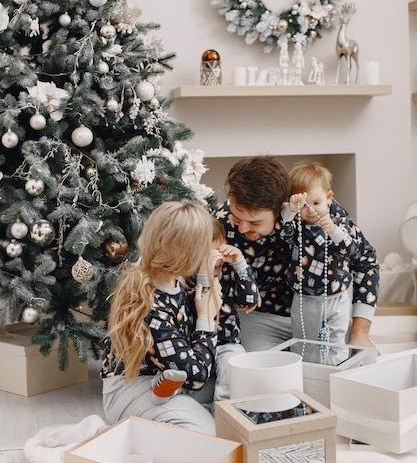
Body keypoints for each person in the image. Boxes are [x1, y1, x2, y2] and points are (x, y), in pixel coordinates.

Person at [212, 155, 379, 353]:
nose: (242, 229)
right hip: (262, 319)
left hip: (319, 312)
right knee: (268, 373)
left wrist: (360, 333)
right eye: (238, 218)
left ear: (281, 208)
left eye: (255, 222)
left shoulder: (317, 211)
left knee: (349, 366)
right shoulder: (221, 221)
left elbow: (365, 261)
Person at [100, 200, 222, 436]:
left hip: (169, 378)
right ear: (187, 256)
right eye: (204, 248)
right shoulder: (152, 308)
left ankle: (173, 404)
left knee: (229, 386)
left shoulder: (175, 279)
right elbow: (196, 377)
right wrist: (206, 316)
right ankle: (98, 432)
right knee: (206, 433)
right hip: (132, 389)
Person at [279, 162, 379, 363]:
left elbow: (352, 251)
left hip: (336, 296)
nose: (309, 211)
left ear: (329, 198)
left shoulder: (339, 222)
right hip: (304, 298)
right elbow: (283, 233)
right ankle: (307, 374)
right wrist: (291, 209)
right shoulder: (298, 225)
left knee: (336, 341)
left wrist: (334, 232)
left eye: (316, 203)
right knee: (303, 342)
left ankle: (336, 371)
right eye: (303, 206)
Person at [209, 218, 260, 402]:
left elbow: (250, 300)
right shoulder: (189, 278)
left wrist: (239, 263)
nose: (218, 257)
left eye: (221, 248)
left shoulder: (228, 272)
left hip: (226, 342)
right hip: (198, 344)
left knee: (235, 371)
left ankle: (225, 414)